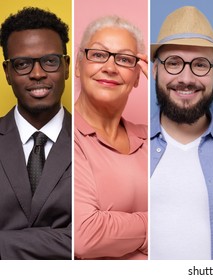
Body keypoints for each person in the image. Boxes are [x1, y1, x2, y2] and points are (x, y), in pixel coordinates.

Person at [150, 6, 213, 260]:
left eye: (200, 65)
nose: (186, 77)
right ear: (155, 70)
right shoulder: (128, 143)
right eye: (173, 63)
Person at [74, 15, 149, 260]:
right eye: (98, 55)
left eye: (125, 59)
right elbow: (84, 236)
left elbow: (194, 218)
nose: (109, 67)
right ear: (77, 65)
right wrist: (158, 223)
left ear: (138, 76)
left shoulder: (152, 138)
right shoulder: (62, 134)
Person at [0, 7, 71, 260]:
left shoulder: (94, 141)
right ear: (7, 72)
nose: (38, 73)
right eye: (22, 64)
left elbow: (89, 237)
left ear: (66, 66)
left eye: (50, 61)